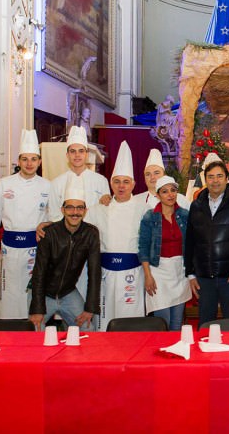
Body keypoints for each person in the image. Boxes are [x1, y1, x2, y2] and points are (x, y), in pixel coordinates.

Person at [39, 126, 109, 300]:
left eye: (81, 151)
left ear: (87, 154)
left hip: (94, 245)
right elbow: (54, 216)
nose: (77, 155)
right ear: (67, 155)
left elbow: (104, 215)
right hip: (65, 249)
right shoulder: (57, 183)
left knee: (90, 291)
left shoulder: (101, 181)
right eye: (73, 151)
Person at [0, 129, 52, 319]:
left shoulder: (47, 185)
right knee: (8, 291)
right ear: (19, 161)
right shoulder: (4, 184)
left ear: (39, 162)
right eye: (25, 159)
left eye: (33, 159)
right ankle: (8, 325)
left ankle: (33, 324)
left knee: (33, 291)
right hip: (9, 247)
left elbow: (53, 217)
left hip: (35, 247)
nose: (29, 163)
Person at [84, 141, 146, 331]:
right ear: (111, 183)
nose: (121, 186)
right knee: (105, 322)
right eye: (117, 181)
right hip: (105, 274)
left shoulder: (144, 209)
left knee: (131, 324)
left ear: (133, 184)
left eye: (126, 182)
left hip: (133, 274)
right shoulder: (98, 209)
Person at [184, 161, 229, 326]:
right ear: (205, 180)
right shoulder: (196, 205)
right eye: (210, 177)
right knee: (205, 325)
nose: (215, 181)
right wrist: (191, 273)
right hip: (204, 277)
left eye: (219, 176)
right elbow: (190, 240)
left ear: (226, 178)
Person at [29, 173, 101, 331]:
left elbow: (95, 272)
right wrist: (37, 308)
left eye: (79, 207)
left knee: (88, 329)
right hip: (44, 294)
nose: (75, 212)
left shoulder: (91, 233)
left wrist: (90, 308)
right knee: (34, 330)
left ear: (85, 210)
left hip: (68, 293)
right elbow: (39, 272)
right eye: (70, 207)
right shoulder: (49, 233)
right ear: (62, 209)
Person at [138, 175, 192, 331]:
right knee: (163, 322)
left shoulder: (185, 215)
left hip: (180, 272)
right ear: (158, 195)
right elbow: (143, 247)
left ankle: (176, 347)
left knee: (177, 323)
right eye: (165, 191)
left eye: (173, 190)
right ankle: (162, 346)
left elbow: (193, 244)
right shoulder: (150, 217)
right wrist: (148, 275)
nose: (170, 195)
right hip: (158, 273)